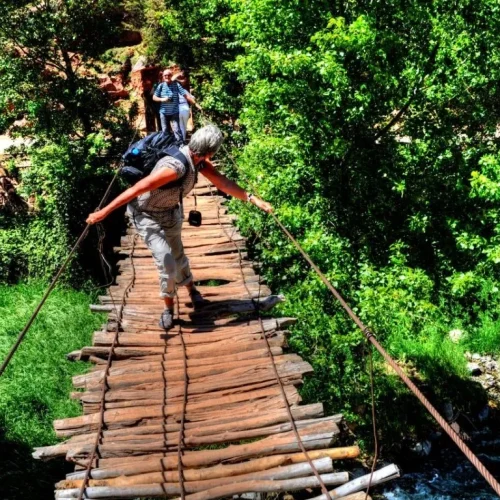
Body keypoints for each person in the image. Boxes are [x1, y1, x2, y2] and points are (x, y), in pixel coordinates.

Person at [86, 125, 272, 331]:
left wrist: (253, 199)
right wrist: (104, 212)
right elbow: (137, 189)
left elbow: (222, 183)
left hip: (170, 213)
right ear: (210, 151)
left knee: (178, 255)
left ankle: (192, 290)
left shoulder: (199, 162)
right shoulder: (174, 168)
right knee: (167, 261)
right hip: (146, 214)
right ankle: (168, 308)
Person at [153, 69, 201, 141]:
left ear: (171, 76)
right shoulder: (161, 86)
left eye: (169, 75)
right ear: (163, 77)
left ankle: (180, 146)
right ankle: (166, 147)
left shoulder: (176, 85)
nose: (167, 77)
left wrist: (195, 104)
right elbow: (154, 97)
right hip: (163, 113)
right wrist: (162, 99)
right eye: (165, 75)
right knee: (165, 131)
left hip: (174, 112)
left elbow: (186, 96)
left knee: (177, 130)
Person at [172, 70, 192, 142]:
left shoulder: (184, 91)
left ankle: (182, 140)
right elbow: (172, 79)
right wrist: (178, 74)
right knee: (180, 125)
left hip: (184, 107)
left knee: (183, 126)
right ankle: (181, 140)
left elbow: (190, 98)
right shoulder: (174, 90)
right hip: (178, 107)